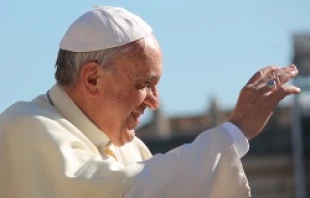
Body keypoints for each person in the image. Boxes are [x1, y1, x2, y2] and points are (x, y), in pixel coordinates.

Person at [0, 5, 300, 198]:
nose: (154, 102)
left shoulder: (131, 150)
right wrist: (235, 130)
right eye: (144, 84)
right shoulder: (26, 126)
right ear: (92, 79)